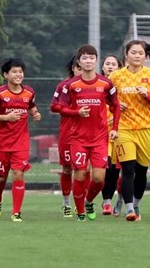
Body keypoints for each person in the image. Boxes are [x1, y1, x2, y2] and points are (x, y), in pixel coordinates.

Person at [58, 44, 120, 221]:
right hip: (77, 138)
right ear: (79, 61)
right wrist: (76, 112)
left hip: (100, 137)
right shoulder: (70, 85)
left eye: (91, 58)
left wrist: (114, 129)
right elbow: (58, 107)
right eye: (84, 58)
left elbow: (116, 106)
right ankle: (80, 212)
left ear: (96, 60)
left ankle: (88, 200)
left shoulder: (106, 83)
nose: (88, 61)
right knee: (79, 174)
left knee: (99, 178)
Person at [108, 41, 150, 221]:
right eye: (134, 52)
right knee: (128, 169)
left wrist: (149, 95)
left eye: (141, 53)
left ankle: (136, 205)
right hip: (123, 128)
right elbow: (105, 98)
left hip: (146, 127)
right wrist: (115, 104)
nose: (137, 56)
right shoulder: (116, 76)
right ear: (127, 54)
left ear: (145, 56)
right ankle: (129, 209)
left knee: (142, 172)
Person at [0, 57, 41, 222]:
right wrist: (7, 117)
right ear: (5, 74)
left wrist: (35, 113)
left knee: (18, 174)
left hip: (21, 141)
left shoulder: (29, 92)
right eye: (14, 72)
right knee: (1, 177)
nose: (18, 75)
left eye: (20, 72)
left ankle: (16, 212)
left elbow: (31, 106)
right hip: (1, 142)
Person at [50, 55, 82, 218]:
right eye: (78, 67)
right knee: (67, 168)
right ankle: (66, 203)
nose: (82, 71)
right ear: (73, 68)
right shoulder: (64, 86)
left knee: (83, 169)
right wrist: (74, 111)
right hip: (68, 134)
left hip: (88, 135)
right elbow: (54, 107)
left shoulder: (95, 85)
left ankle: (81, 204)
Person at [99, 54, 124, 216]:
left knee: (119, 171)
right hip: (102, 135)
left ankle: (120, 200)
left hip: (122, 133)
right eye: (107, 63)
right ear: (102, 67)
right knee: (105, 170)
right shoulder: (98, 86)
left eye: (113, 64)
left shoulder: (122, 88)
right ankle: (106, 201)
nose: (110, 66)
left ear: (119, 68)